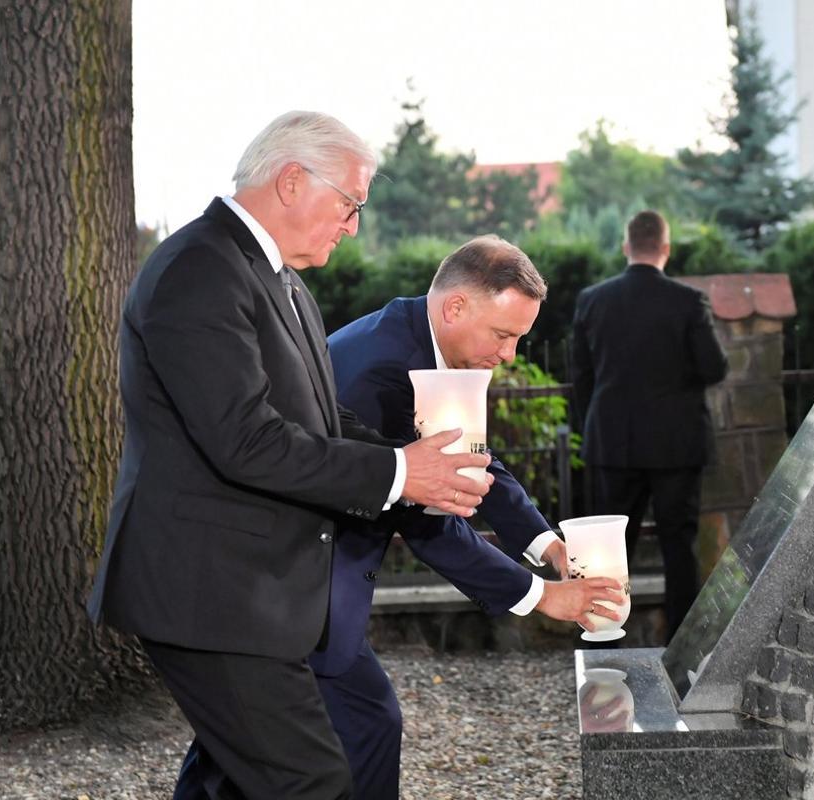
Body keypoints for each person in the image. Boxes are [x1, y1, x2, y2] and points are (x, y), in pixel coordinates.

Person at [87, 111, 494, 800]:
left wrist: (411, 467)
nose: (353, 226)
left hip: (248, 594)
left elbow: (322, 419)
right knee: (311, 782)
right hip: (207, 596)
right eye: (350, 204)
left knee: (233, 784)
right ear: (292, 180)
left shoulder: (282, 282)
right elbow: (245, 439)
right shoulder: (199, 269)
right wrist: (399, 472)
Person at [316, 235, 624, 797]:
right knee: (367, 725)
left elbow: (477, 464)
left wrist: (549, 547)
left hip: (310, 578)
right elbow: (431, 523)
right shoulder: (383, 372)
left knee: (235, 750)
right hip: (291, 578)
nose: (510, 355)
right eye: (504, 335)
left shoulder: (423, 345)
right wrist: (542, 596)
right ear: (455, 308)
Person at [571, 209, 728, 640]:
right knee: (678, 546)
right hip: (677, 445)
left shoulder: (592, 300)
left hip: (613, 444)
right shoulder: (687, 301)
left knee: (607, 549)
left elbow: (581, 378)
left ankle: (601, 635)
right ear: (666, 249)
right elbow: (714, 368)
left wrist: (596, 425)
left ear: (626, 248)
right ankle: (682, 644)